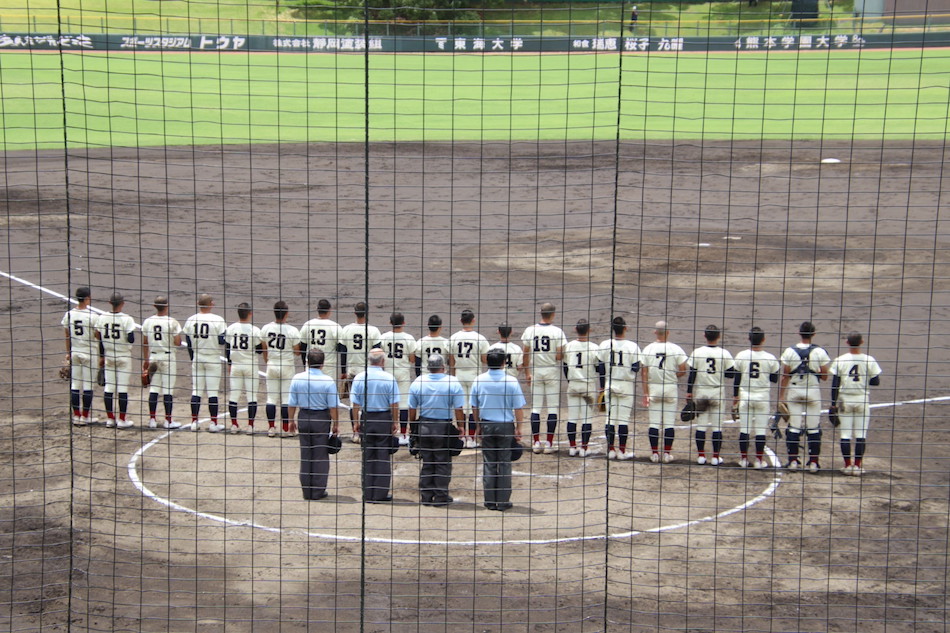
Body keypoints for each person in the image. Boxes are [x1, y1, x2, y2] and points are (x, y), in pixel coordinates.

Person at [472, 348, 526, 512]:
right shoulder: (511, 381)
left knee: (489, 463)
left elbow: (474, 406)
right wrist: (519, 428)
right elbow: (518, 408)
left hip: (487, 424)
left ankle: (489, 501)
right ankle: (502, 502)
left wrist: (478, 426)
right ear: (504, 363)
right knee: (504, 463)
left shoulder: (479, 380)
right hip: (505, 425)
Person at [408, 353, 464, 506]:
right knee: (442, 463)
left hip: (424, 427)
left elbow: (412, 408)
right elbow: (458, 408)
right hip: (443, 428)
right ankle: (440, 496)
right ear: (443, 367)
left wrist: (412, 427)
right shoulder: (452, 382)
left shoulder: (418, 381)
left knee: (427, 462)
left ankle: (426, 496)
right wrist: (461, 426)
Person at [778, 321, 831, 472]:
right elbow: (825, 376)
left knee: (794, 427)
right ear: (813, 334)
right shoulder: (820, 352)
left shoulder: (789, 351)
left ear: (799, 333)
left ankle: (793, 462)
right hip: (813, 391)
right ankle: (813, 463)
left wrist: (781, 396)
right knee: (813, 428)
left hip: (795, 391)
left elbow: (785, 375)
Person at [288, 350, 340, 500]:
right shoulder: (328, 381)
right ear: (323, 364)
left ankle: (307, 491)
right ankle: (317, 491)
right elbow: (333, 407)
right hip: (321, 419)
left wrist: (290, 420)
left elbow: (291, 403)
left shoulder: (297, 378)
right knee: (320, 456)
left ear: (307, 361)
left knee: (306, 455)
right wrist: (336, 424)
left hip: (303, 417)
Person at [350, 348, 400, 503]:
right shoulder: (388, 378)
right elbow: (394, 404)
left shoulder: (359, 377)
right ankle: (380, 494)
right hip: (383, 418)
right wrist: (395, 421)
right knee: (382, 456)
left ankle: (368, 492)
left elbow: (355, 404)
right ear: (382, 361)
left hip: (367, 417)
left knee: (368, 456)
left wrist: (356, 423)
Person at [830, 332, 882, 476]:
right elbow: (876, 381)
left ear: (847, 342)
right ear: (862, 342)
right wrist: (864, 379)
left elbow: (835, 384)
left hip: (845, 400)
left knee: (845, 435)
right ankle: (857, 467)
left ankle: (847, 466)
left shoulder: (840, 360)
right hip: (862, 399)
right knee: (861, 434)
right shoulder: (869, 360)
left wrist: (833, 404)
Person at [521, 302, 567, 454]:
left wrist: (527, 372)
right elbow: (560, 356)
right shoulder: (557, 331)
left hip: (536, 371)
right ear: (553, 314)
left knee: (536, 408)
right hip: (551, 371)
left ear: (541, 313)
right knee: (552, 408)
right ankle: (549, 443)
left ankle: (536, 442)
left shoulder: (530, 330)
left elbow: (525, 354)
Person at [687, 325, 736, 466]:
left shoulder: (697, 352)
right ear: (718, 336)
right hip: (717, 392)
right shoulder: (724, 353)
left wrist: (689, 392)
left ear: (705, 336)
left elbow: (692, 374)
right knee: (717, 426)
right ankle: (715, 457)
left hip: (702, 392)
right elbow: (731, 373)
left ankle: (701, 456)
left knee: (701, 425)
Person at [732, 327, 780, 468]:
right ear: (763, 339)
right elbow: (774, 379)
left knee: (744, 429)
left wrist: (735, 397)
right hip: (762, 397)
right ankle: (759, 460)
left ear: (749, 339)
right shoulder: (770, 358)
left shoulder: (741, 356)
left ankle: (744, 460)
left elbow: (736, 380)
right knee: (760, 431)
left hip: (745, 396)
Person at [640, 321, 688, 463]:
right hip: (670, 388)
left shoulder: (648, 349)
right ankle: (667, 454)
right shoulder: (676, 349)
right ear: (668, 332)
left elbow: (644, 373)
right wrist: (673, 376)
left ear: (655, 332)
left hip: (654, 388)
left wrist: (645, 393)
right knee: (669, 424)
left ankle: (655, 454)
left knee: (654, 423)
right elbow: (683, 370)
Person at [598, 316, 641, 460]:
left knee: (609, 419)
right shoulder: (632, 346)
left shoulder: (604, 344)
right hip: (625, 385)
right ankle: (622, 451)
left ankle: (610, 450)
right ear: (625, 328)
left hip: (609, 384)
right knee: (623, 420)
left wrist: (602, 386)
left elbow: (601, 368)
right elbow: (636, 368)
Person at [183, 294, 228, 432]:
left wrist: (193, 358)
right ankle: (213, 423)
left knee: (196, 390)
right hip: (213, 359)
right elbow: (222, 341)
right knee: (212, 392)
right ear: (211, 304)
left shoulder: (191, 320)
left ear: (198, 303)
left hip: (197, 358)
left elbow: (189, 342)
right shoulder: (218, 320)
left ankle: (194, 422)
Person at [340, 302, 382, 443]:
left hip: (352, 371)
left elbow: (343, 351)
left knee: (354, 403)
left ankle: (355, 433)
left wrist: (343, 371)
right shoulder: (373, 330)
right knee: (368, 403)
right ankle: (366, 431)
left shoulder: (346, 330)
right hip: (368, 373)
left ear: (355, 313)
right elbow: (377, 353)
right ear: (367, 313)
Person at [261, 300, 302, 438]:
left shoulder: (266, 328)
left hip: (272, 365)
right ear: (287, 314)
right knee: (286, 399)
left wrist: (268, 360)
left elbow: (264, 348)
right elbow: (297, 351)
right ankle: (286, 429)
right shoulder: (292, 330)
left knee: (271, 398)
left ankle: (271, 428)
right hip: (286, 366)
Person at [449, 309, 489, 448]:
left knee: (460, 405)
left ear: (461, 321)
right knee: (473, 406)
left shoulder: (453, 338)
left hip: (459, 373)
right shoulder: (480, 338)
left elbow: (451, 361)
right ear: (473, 320)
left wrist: (452, 377)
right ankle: (471, 438)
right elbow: (485, 359)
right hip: (474, 375)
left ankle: (462, 436)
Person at [141, 296, 183, 429]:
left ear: (154, 306)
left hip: (153, 357)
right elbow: (177, 342)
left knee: (154, 389)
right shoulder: (172, 322)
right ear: (167, 306)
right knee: (168, 390)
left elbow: (145, 342)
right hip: (168, 358)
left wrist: (146, 359)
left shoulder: (148, 321)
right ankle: (168, 421)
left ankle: (152, 420)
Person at [96, 293, 138, 428]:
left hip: (109, 356)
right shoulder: (127, 319)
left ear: (109, 302)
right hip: (123, 356)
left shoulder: (102, 318)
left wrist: (101, 356)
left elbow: (99, 337)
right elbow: (131, 339)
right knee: (122, 389)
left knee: (109, 388)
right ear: (122, 303)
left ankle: (110, 419)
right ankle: (121, 420)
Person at [563, 319, 603, 458]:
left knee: (572, 418)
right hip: (588, 386)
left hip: (573, 384)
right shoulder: (594, 347)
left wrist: (570, 380)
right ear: (589, 330)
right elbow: (599, 368)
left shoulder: (568, 346)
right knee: (587, 419)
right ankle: (584, 448)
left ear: (575, 329)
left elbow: (565, 367)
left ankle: (572, 447)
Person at [225, 302, 266, 434]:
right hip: (250, 366)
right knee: (251, 396)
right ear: (250, 313)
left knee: (234, 395)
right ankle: (250, 426)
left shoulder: (231, 328)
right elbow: (259, 350)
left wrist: (229, 363)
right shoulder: (254, 330)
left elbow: (227, 347)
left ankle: (234, 425)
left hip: (236, 365)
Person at [62, 287, 99, 426]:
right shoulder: (93, 315)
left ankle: (76, 416)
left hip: (75, 352)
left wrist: (68, 353)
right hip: (89, 352)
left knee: (75, 385)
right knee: (88, 385)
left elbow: (67, 335)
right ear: (88, 298)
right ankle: (85, 416)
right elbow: (98, 336)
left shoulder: (69, 314)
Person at [379, 311, 417, 445]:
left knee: (389, 403)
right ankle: (404, 434)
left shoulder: (383, 337)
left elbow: (380, 355)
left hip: (388, 373)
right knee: (404, 404)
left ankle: (389, 431)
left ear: (390, 323)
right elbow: (412, 359)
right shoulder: (409, 338)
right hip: (403, 372)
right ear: (404, 323)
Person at [300, 299, 344, 387]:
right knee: (328, 392)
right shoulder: (335, 326)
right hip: (328, 365)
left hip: (311, 364)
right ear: (330, 310)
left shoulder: (307, 324)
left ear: (317, 309)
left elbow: (303, 347)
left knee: (310, 390)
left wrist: (305, 364)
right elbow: (341, 348)